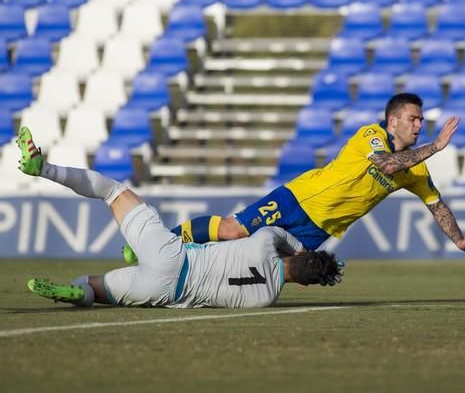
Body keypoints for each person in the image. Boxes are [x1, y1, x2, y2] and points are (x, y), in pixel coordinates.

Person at [123, 93, 465, 263]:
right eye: (413, 119)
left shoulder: (418, 169)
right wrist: (438, 145)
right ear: (392, 121)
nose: (419, 125)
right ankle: (161, 242)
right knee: (233, 231)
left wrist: (458, 240)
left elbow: (436, 206)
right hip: (299, 199)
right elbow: (387, 164)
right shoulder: (370, 136)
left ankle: (187, 271)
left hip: (320, 230)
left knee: (265, 265)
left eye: (421, 120)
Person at [17, 127, 344, 309]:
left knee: (113, 192)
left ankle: (43, 169)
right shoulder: (265, 299)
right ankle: (77, 291)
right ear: (302, 284)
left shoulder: (265, 241)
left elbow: (276, 238)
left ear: (301, 257)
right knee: (94, 286)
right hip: (166, 293)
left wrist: (299, 250)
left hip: (173, 255)